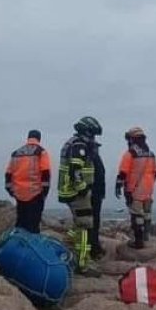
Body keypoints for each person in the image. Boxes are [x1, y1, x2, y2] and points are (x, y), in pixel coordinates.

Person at [58, 116, 103, 276]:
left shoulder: (74, 143)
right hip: (77, 192)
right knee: (85, 225)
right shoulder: (79, 145)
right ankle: (83, 264)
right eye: (93, 134)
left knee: (79, 225)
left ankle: (69, 241)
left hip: (71, 190)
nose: (94, 138)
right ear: (87, 131)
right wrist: (82, 188)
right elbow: (75, 169)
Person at [116, 126, 156, 249]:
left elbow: (123, 172)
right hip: (148, 190)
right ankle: (146, 237)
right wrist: (149, 183)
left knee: (136, 216)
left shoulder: (130, 153)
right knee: (147, 214)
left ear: (131, 139)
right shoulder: (151, 154)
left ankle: (138, 242)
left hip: (134, 189)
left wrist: (118, 186)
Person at [5, 130, 52, 233]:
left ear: (28, 138)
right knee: (33, 225)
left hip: (19, 193)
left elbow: (8, 173)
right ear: (39, 139)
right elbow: (45, 173)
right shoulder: (41, 152)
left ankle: (19, 240)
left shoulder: (16, 153)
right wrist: (45, 192)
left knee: (21, 223)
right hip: (35, 193)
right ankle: (31, 241)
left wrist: (10, 190)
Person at [91, 137, 107, 258]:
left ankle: (94, 246)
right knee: (93, 222)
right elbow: (100, 175)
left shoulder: (93, 158)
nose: (97, 149)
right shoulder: (93, 158)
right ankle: (94, 248)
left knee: (93, 222)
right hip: (94, 194)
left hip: (94, 194)